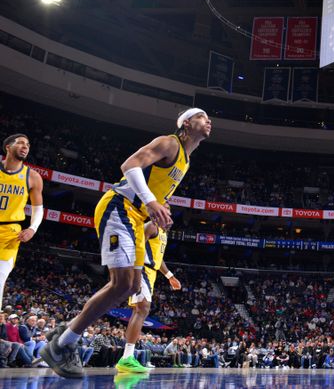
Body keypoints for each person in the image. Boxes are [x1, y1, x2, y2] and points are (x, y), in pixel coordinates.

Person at [41, 108, 211, 378]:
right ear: (187, 123)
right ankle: (62, 345)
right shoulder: (169, 143)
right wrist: (150, 201)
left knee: (130, 285)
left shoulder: (186, 161)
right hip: (119, 208)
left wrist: (156, 208)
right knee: (122, 283)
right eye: (202, 117)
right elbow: (129, 165)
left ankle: (65, 339)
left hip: (135, 217)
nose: (209, 121)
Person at [116, 221, 182, 373]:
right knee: (142, 309)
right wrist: (134, 272)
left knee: (140, 311)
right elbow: (134, 247)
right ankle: (126, 358)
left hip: (151, 273)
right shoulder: (151, 226)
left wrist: (169, 276)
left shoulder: (163, 233)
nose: (169, 214)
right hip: (142, 269)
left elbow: (158, 259)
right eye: (165, 208)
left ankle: (127, 357)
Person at [0, 135, 45, 305]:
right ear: (8, 147)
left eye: (27, 144)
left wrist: (32, 228)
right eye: (20, 142)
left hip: (9, 234)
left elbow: (38, 209)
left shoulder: (32, 177)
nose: (25, 146)